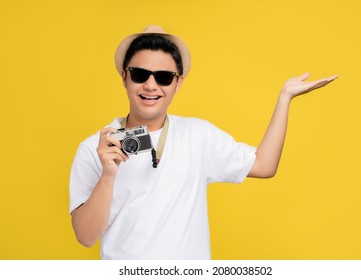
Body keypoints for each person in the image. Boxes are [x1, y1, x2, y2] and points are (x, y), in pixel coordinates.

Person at [69, 25, 337, 260]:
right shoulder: (96, 148)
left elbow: (264, 165)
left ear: (178, 83)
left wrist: (284, 98)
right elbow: (86, 237)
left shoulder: (198, 136)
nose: (151, 85)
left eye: (163, 77)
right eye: (140, 74)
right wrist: (108, 174)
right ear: (124, 77)